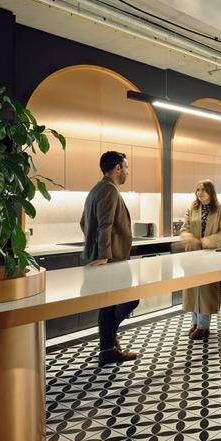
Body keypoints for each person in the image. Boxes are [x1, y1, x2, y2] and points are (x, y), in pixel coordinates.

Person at [80, 151, 139, 367]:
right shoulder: (109, 190)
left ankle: (108, 348)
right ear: (117, 168)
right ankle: (108, 343)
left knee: (108, 305)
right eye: (126, 167)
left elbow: (82, 223)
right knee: (131, 299)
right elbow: (106, 224)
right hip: (112, 260)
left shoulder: (96, 189)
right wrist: (104, 255)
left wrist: (95, 248)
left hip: (107, 257)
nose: (127, 172)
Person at [179, 179, 221, 340]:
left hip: (210, 256)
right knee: (193, 291)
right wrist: (189, 239)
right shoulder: (192, 208)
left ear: (211, 192)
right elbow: (184, 229)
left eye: (203, 190)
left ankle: (203, 326)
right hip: (192, 256)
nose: (200, 192)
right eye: (198, 189)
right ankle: (195, 323)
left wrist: (207, 241)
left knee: (206, 292)